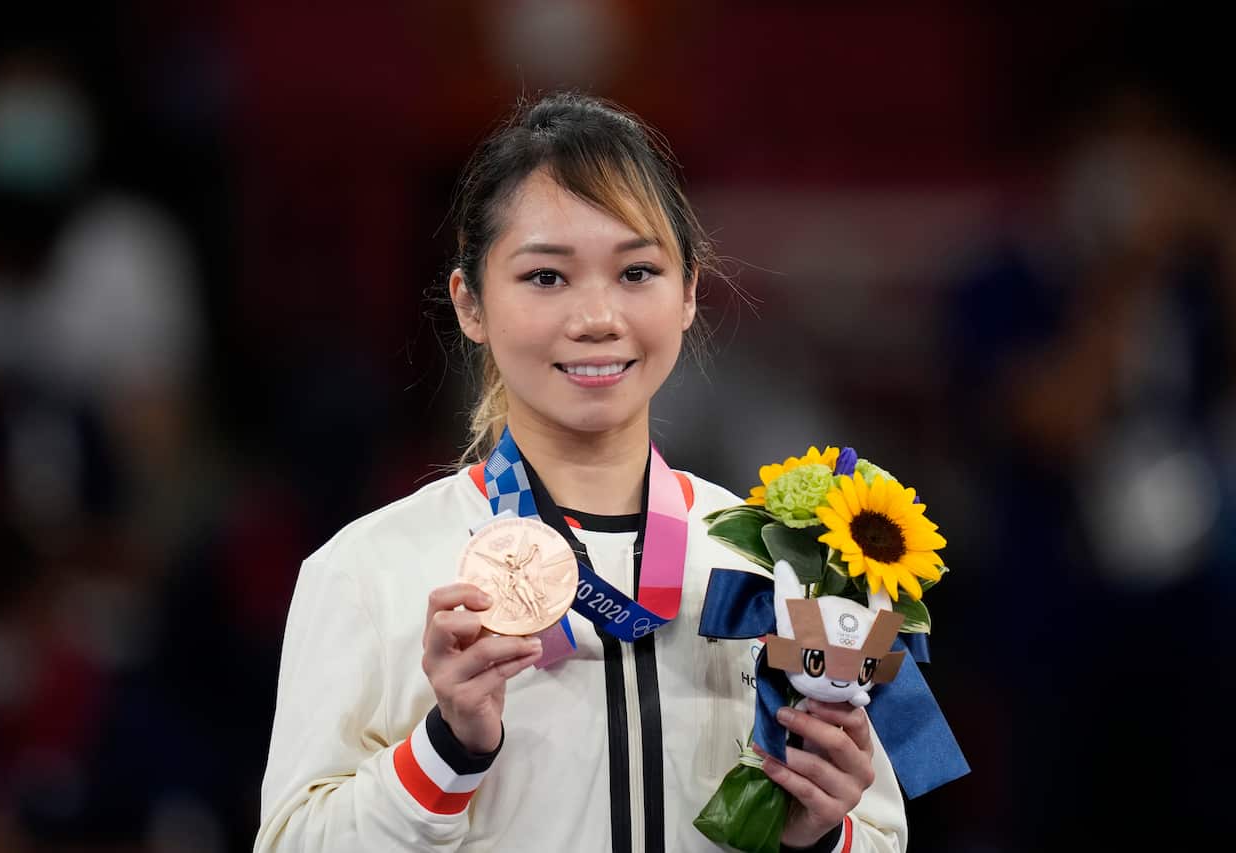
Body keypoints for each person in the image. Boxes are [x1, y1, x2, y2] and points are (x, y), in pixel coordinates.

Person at [255, 92, 907, 852]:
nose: (598, 316)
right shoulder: (369, 572)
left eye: (636, 272)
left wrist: (818, 834)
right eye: (546, 278)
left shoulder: (778, 564)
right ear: (470, 303)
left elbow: (879, 833)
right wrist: (444, 749)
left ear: (690, 291)